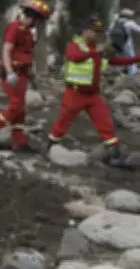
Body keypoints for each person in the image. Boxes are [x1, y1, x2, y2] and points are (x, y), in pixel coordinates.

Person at [48, 13, 140, 168]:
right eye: (93, 31)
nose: (96, 35)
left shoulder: (97, 49)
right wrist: (97, 52)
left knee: (105, 122)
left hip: (93, 95)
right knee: (63, 121)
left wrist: (136, 59)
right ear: (84, 31)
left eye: (99, 32)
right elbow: (75, 57)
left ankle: (116, 153)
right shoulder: (75, 45)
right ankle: (50, 146)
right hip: (75, 93)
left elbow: (116, 61)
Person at [0, 0, 53, 152]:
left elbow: (26, 54)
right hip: (12, 73)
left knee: (20, 110)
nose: (38, 23)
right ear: (32, 16)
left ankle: (19, 142)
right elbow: (6, 51)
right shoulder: (15, 27)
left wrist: (31, 75)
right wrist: (9, 72)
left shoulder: (28, 33)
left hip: (23, 74)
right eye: (38, 19)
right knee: (15, 106)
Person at [109, 8, 140, 77]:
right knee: (131, 60)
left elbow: (108, 33)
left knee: (120, 60)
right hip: (127, 45)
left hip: (116, 45)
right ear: (127, 16)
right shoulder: (129, 23)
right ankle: (133, 76)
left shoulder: (114, 23)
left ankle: (116, 75)